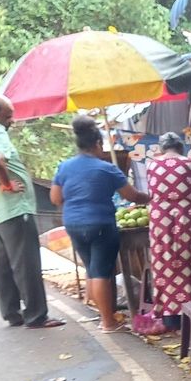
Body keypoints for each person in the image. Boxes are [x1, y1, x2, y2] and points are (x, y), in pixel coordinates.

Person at [0, 94, 63, 328]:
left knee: (1, 264)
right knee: (26, 262)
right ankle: (36, 315)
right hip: (11, 208)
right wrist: (7, 184)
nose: (11, 121)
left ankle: (12, 313)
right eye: (7, 116)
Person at [50, 116, 148, 332]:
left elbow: (56, 198)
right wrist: (151, 198)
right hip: (101, 224)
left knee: (93, 269)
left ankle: (104, 314)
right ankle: (108, 322)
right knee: (102, 272)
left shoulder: (64, 167)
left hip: (73, 224)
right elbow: (132, 196)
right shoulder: (106, 168)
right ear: (97, 144)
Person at [145, 132, 191, 331]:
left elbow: (151, 195)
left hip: (161, 222)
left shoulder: (152, 165)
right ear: (181, 147)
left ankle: (171, 316)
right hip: (189, 219)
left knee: (166, 262)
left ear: (160, 148)